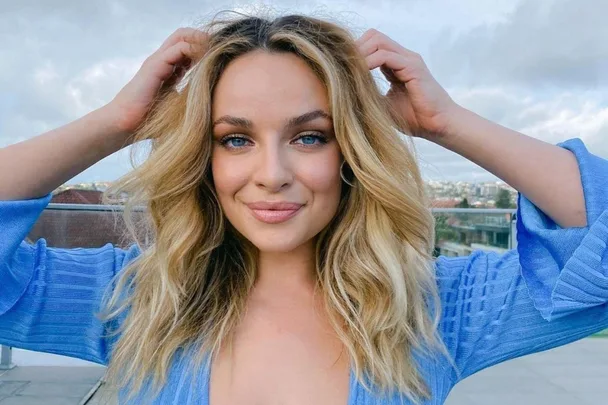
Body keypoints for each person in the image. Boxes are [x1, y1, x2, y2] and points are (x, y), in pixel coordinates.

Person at [1, 13, 607, 405]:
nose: (271, 174)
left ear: (350, 151)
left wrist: (443, 123)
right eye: (235, 138)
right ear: (202, 156)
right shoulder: (134, 298)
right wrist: (117, 123)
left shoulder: (434, 309)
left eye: (309, 136)